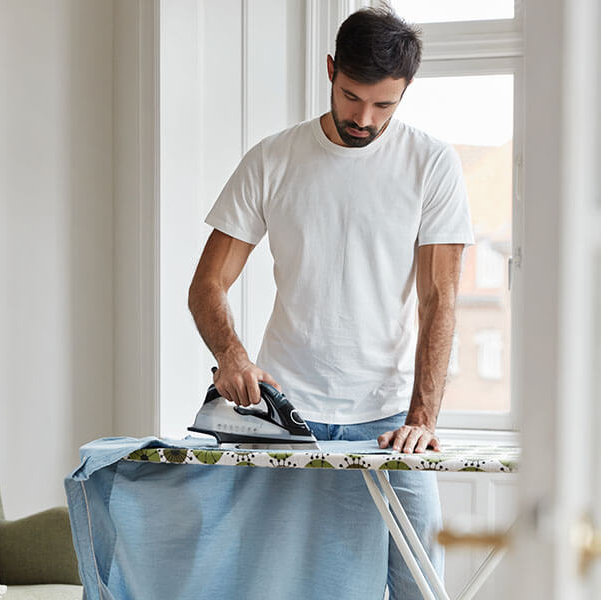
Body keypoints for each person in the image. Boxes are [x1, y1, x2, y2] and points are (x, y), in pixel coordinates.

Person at [188, 6, 473, 597]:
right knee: (280, 584)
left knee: (421, 586)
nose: (364, 118)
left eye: (383, 105)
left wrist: (423, 417)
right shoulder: (273, 158)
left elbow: (440, 299)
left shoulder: (432, 163)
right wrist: (234, 358)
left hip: (392, 421)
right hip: (286, 418)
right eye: (351, 97)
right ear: (329, 71)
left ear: (405, 93)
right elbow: (206, 285)